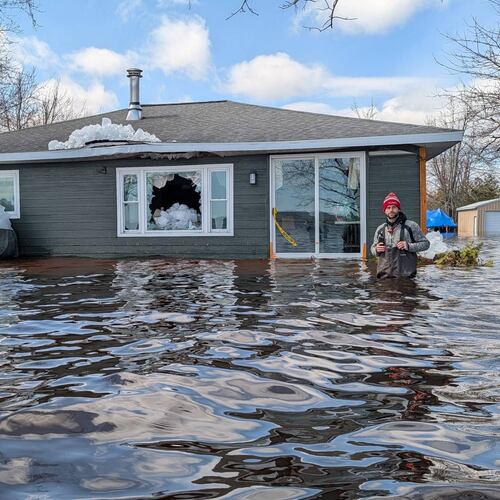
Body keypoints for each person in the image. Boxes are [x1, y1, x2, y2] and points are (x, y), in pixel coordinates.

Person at [371, 192, 430, 278]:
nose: (391, 210)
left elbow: (426, 244)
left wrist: (408, 246)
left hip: (406, 278)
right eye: (388, 207)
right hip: (384, 278)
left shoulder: (411, 226)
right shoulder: (380, 229)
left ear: (399, 209)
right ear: (384, 210)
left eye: (394, 207)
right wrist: (376, 249)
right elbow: (372, 248)